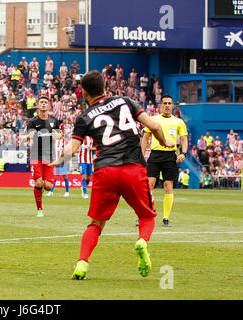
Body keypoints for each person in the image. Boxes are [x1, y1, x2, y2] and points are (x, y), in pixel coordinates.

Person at [50, 70, 174, 280]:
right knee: (146, 215)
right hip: (133, 169)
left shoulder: (84, 117)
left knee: (96, 223)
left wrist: (58, 161)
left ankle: (82, 263)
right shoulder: (125, 101)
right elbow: (153, 125)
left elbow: (71, 149)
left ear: (84, 93)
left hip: (105, 171)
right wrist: (164, 142)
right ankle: (142, 241)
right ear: (106, 87)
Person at [140, 94, 188, 227]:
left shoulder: (179, 122)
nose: (167, 105)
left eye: (169, 103)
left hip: (170, 156)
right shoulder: (153, 119)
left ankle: (166, 218)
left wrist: (183, 153)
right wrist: (142, 156)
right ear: (160, 105)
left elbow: (184, 139)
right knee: (150, 184)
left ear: (173, 106)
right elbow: (145, 138)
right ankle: (144, 214)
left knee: (168, 186)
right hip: (155, 155)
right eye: (164, 103)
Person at [22, 95, 61, 217]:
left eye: (45, 102)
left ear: (49, 106)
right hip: (35, 154)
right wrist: (29, 137)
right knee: (38, 183)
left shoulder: (54, 121)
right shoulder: (33, 121)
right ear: (38, 106)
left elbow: (59, 135)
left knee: (48, 187)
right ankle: (40, 209)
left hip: (49, 155)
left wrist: (58, 136)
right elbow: (26, 137)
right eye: (41, 102)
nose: (43, 104)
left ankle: (41, 190)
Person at [47, 125, 70, 197]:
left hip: (63, 161)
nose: (59, 133)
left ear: (62, 133)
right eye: (58, 132)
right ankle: (51, 191)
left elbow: (67, 151)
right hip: (56, 161)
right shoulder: (55, 141)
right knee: (54, 177)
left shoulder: (65, 141)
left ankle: (67, 192)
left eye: (60, 132)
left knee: (65, 176)